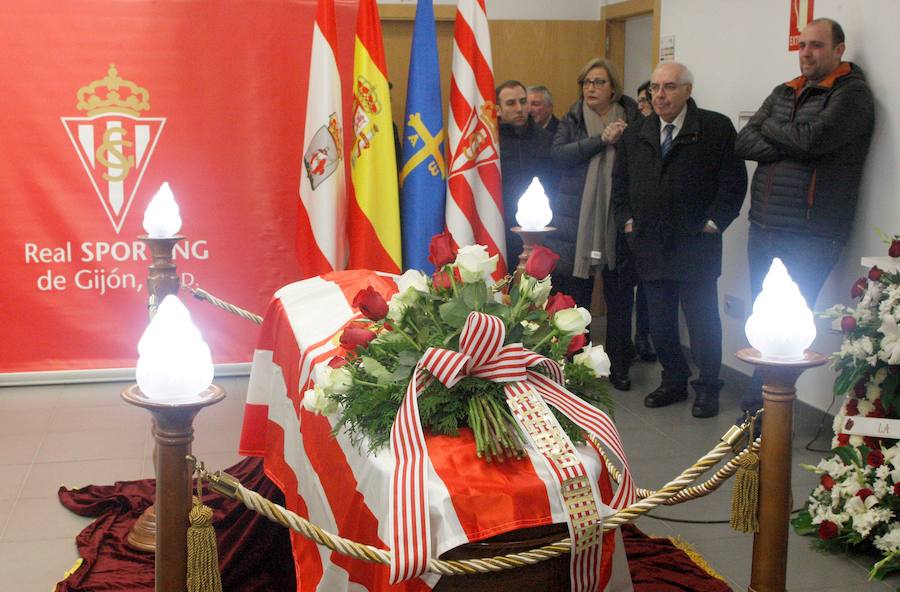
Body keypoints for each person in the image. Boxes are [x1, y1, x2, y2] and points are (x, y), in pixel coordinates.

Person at [735, 18, 874, 419]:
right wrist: (792, 141)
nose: (807, 53)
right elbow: (744, 140)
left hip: (812, 232)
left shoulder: (852, 94)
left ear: (838, 50)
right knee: (762, 322)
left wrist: (773, 128)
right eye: (802, 45)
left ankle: (763, 418)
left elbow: (812, 140)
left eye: (816, 45)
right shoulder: (786, 90)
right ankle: (759, 416)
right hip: (765, 225)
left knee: (787, 331)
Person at [611, 62, 747, 417]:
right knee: (660, 322)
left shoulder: (715, 129)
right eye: (655, 88)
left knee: (702, 322)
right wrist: (627, 223)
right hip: (650, 243)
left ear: (688, 90)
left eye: (669, 87)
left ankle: (708, 387)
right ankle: (673, 380)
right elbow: (620, 186)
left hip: (696, 243)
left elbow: (733, 182)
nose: (660, 95)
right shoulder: (636, 133)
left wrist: (715, 222)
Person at [548, 58, 639, 391]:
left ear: (613, 87)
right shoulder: (572, 118)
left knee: (619, 301)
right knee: (576, 302)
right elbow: (559, 155)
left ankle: (619, 366)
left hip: (617, 222)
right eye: (586, 82)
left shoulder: (632, 119)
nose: (591, 88)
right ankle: (576, 366)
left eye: (599, 82)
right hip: (576, 223)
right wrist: (600, 139)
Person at [496, 80, 556, 272]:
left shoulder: (545, 139)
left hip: (539, 230)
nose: (520, 108)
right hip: (500, 227)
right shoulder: (491, 143)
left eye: (523, 101)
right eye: (511, 103)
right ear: (498, 109)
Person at [630, 79, 656, 363]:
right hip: (635, 226)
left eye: (645, 100)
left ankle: (644, 336)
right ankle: (639, 336)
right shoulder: (634, 132)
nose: (642, 105)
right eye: (639, 101)